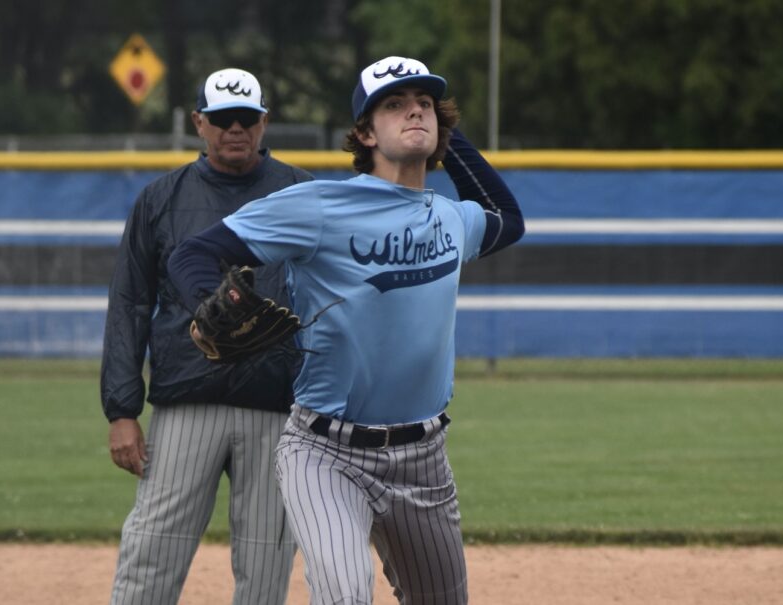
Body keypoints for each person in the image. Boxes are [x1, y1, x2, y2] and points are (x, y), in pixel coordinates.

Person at [167, 56, 525, 604]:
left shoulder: (453, 218)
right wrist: (206, 302)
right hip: (326, 452)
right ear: (365, 133)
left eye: (425, 104)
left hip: (424, 459)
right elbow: (193, 254)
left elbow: (509, 218)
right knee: (345, 592)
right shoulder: (319, 206)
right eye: (395, 104)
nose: (414, 111)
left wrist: (445, 138)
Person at [100, 67, 313, 605]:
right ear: (199, 122)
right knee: (153, 549)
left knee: (266, 563)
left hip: (278, 408)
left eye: (245, 117)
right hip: (187, 402)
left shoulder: (303, 193)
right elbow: (129, 304)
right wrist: (122, 410)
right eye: (222, 118)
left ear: (264, 121)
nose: (234, 128)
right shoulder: (161, 199)